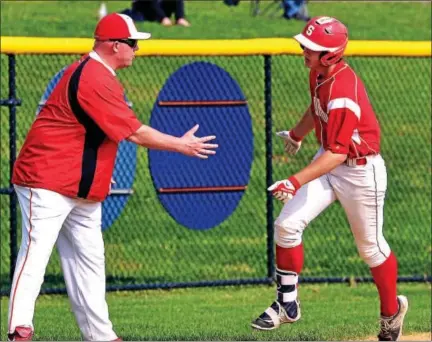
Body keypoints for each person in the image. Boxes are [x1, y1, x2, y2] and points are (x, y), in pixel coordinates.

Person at [7, 13, 217, 342]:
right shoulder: (93, 76)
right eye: (132, 43)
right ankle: (20, 329)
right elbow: (133, 132)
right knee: (36, 250)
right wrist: (181, 145)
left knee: (89, 260)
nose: (136, 49)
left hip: (82, 185)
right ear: (114, 45)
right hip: (46, 178)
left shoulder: (98, 74)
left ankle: (101, 336)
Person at [250, 16, 408, 342]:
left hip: (361, 172)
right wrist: (296, 135)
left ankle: (391, 311)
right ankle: (286, 304)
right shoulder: (319, 74)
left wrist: (293, 181)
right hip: (329, 160)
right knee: (286, 226)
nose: (304, 50)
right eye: (305, 45)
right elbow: (315, 108)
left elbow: (337, 152)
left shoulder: (344, 91)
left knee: (371, 250)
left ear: (331, 55)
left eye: (312, 48)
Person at [122, 0, 191, 27]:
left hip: (159, 6)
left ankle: (180, 18)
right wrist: (163, 18)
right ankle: (163, 19)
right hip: (144, 9)